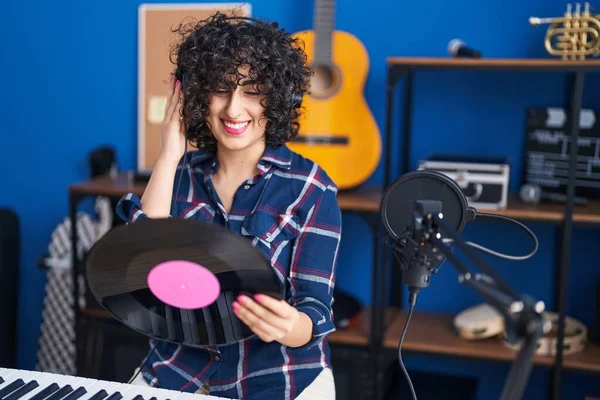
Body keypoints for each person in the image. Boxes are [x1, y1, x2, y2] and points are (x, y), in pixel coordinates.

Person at [116, 12, 341, 400]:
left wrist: (291, 326)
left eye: (252, 90)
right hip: (178, 369)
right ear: (197, 96)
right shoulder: (178, 175)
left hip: (276, 376)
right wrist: (168, 156)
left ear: (277, 96)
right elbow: (142, 273)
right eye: (221, 89)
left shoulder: (311, 188)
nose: (234, 109)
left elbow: (315, 307)